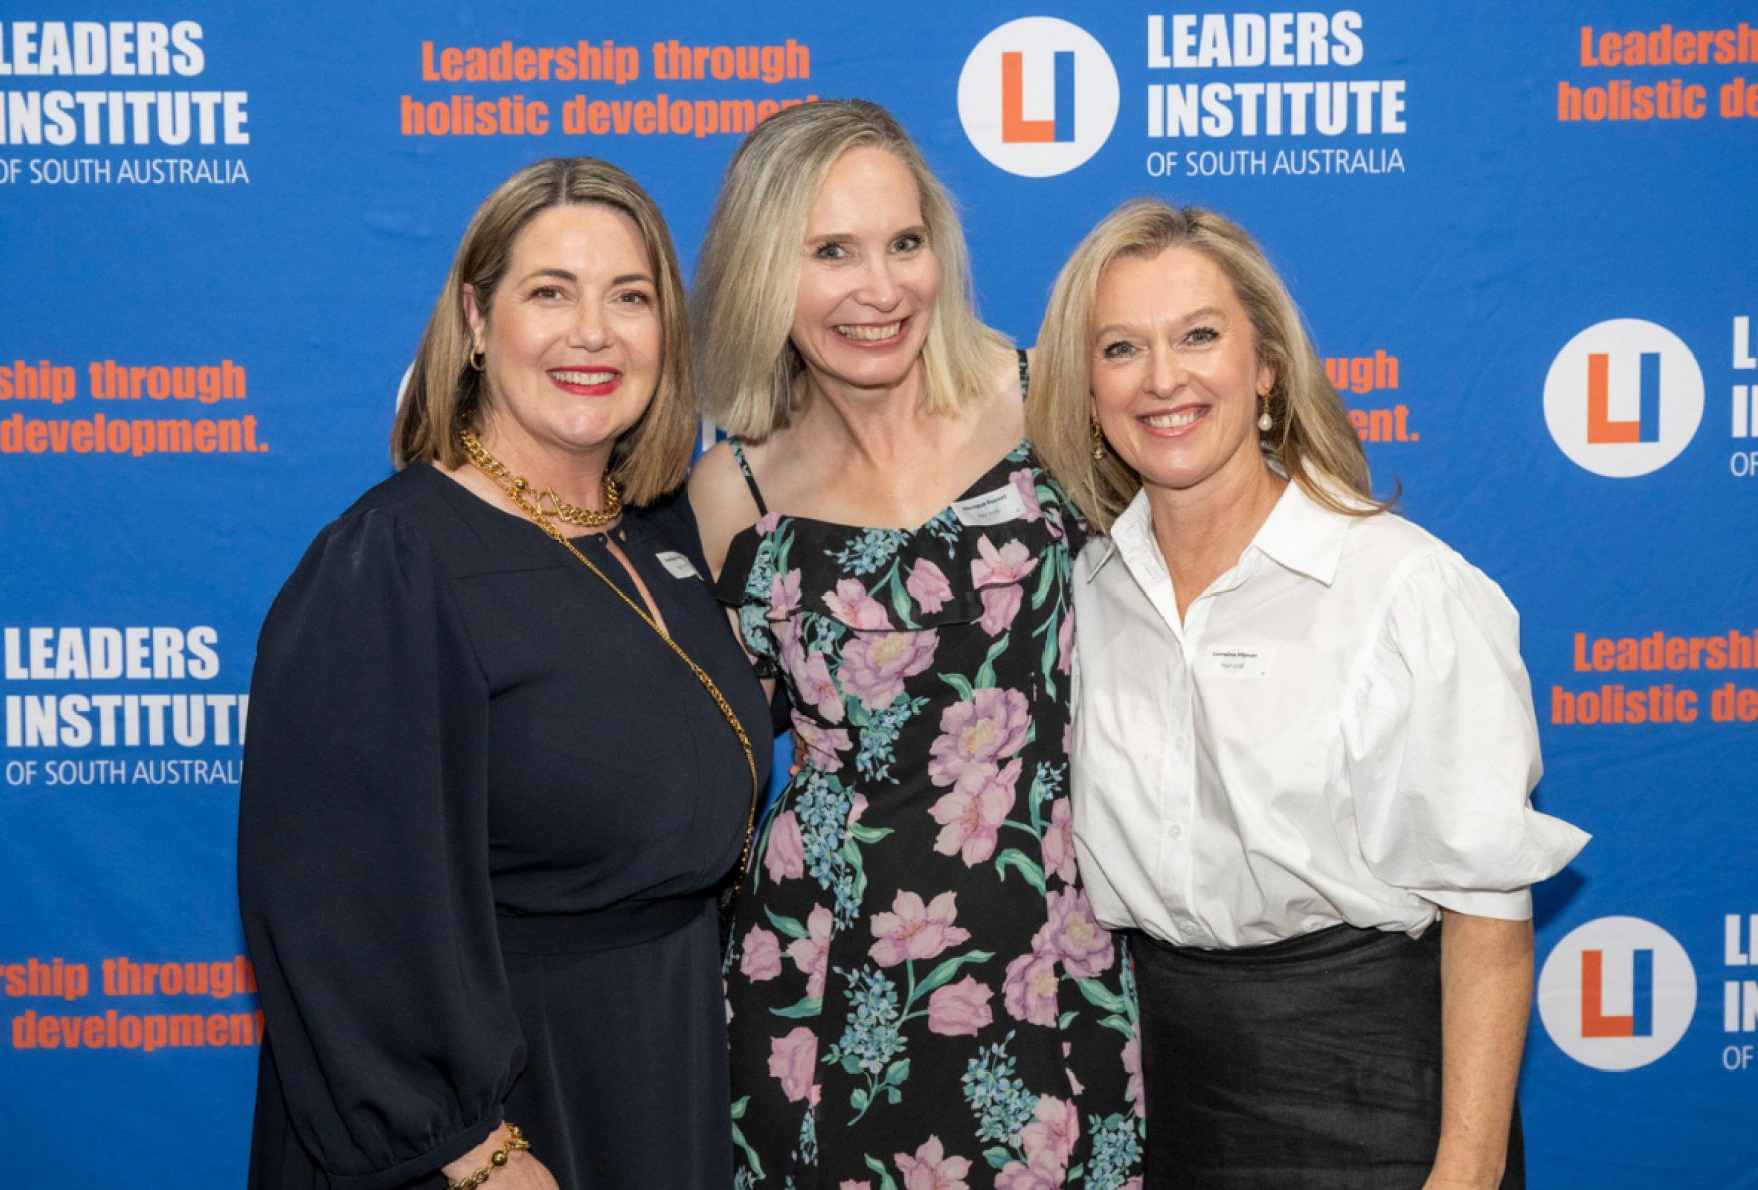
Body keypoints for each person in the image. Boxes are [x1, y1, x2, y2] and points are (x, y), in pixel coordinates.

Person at [1027, 198, 1590, 1189]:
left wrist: (1462, 1169)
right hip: (1169, 1110)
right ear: (1085, 389)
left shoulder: (1405, 589)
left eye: (1200, 335)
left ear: (1268, 366)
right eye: (1122, 348)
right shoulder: (1086, 597)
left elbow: (1489, 921)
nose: (1164, 377)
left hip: (1381, 1114)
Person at [237, 157, 773, 1190]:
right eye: (549, 292)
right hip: (497, 1122)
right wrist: (471, 1152)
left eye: (631, 296)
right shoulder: (393, 560)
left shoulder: (658, 536)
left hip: (655, 1071)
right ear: (477, 322)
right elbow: (333, 909)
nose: (593, 331)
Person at [688, 100, 1144, 1189]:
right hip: (815, 975)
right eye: (831, 251)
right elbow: (696, 758)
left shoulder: (1058, 405)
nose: (880, 288)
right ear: (762, 269)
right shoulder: (728, 489)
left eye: (904, 242)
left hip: (1057, 951)